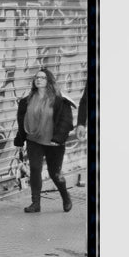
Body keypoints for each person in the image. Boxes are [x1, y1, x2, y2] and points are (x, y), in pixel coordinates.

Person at [13, 67, 75, 214]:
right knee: (35, 169)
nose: (38, 79)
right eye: (37, 78)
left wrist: (58, 138)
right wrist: (20, 138)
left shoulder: (60, 100)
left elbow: (66, 121)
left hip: (53, 142)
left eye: (42, 77)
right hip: (34, 140)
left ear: (49, 81)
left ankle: (65, 196)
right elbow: (23, 121)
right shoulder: (27, 101)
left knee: (55, 174)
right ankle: (36, 203)